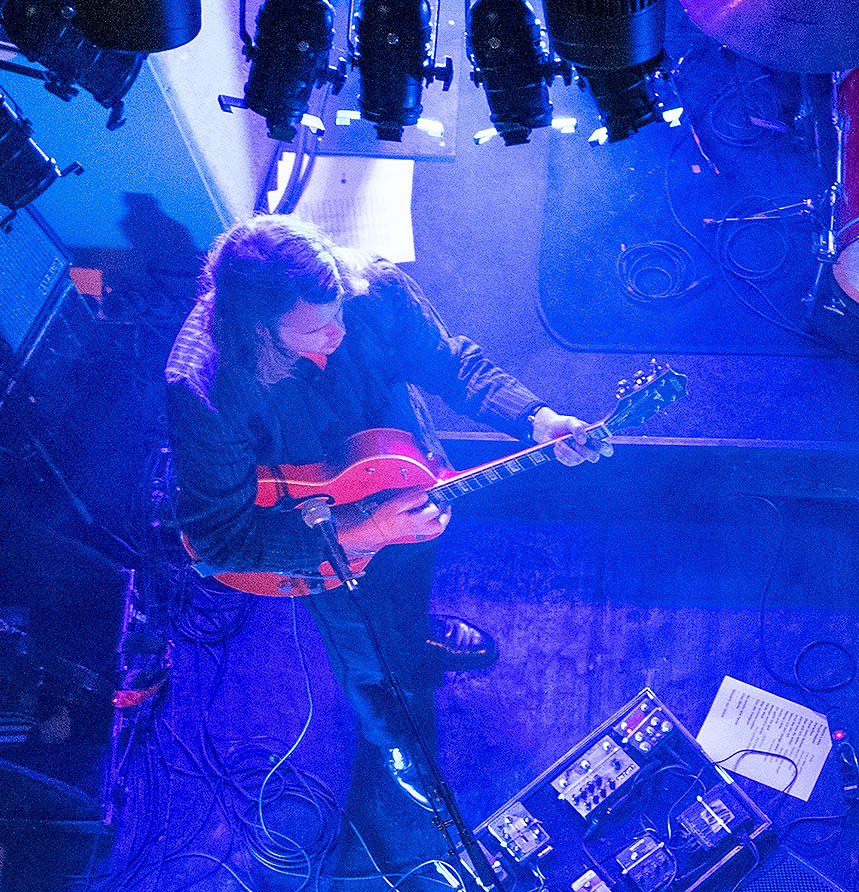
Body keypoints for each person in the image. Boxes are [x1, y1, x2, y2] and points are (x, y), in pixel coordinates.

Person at [164, 215, 607, 812]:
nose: (339, 332)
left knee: (409, 589)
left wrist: (538, 419)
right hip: (317, 541)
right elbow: (219, 542)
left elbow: (450, 364)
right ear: (259, 329)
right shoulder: (205, 383)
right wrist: (368, 530)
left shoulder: (371, 285)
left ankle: (416, 637)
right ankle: (395, 741)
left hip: (407, 476)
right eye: (315, 329)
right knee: (365, 649)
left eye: (339, 312)